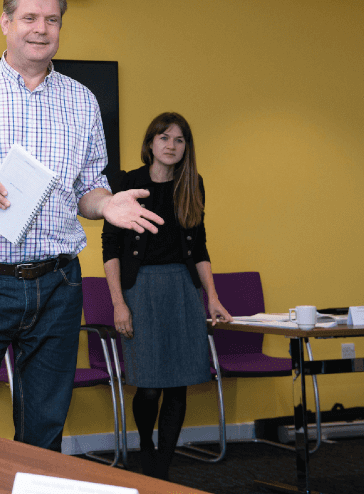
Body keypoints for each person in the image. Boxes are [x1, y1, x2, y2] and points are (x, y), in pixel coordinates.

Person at [0, 0, 164, 451]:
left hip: (59, 285)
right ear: (6, 23)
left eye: (51, 19)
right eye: (29, 18)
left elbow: (88, 188)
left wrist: (108, 203)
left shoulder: (83, 101)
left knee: (45, 428)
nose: (40, 29)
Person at [101, 112, 232, 480]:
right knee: (148, 386)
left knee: (178, 383)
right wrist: (118, 303)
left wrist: (213, 297)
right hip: (139, 290)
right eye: (164, 138)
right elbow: (110, 246)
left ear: (186, 147)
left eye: (179, 140)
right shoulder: (128, 182)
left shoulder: (193, 184)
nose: (171, 146)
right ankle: (146, 447)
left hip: (183, 290)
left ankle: (163, 468)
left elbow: (200, 246)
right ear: (151, 143)